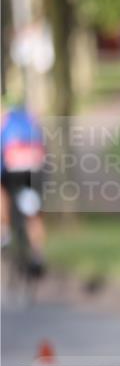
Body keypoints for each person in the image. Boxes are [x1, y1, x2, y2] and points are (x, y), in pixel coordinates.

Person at [1, 104, 47, 277]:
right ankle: (38, 254)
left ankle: (4, 233)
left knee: (2, 191)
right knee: (33, 213)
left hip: (12, 169)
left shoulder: (4, 122)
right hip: (34, 168)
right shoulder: (29, 120)